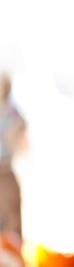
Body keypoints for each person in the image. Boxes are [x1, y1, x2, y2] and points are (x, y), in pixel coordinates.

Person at [0, 73, 27, 236]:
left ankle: (12, 249)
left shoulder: (11, 110)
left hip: (5, 168)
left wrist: (15, 137)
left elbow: (21, 125)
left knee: (12, 216)